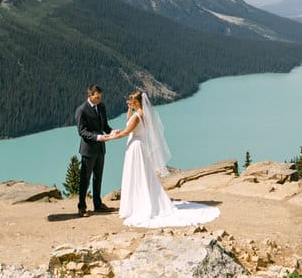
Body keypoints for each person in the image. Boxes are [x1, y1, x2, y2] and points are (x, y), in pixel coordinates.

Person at [104, 91, 219, 228]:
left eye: (131, 102)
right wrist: (129, 109)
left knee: (137, 175)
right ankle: (141, 202)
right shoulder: (144, 114)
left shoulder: (137, 116)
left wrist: (109, 137)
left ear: (136, 102)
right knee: (142, 175)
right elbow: (128, 121)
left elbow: (126, 131)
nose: (130, 104)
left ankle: (138, 205)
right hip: (139, 146)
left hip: (135, 147)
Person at [75, 84, 113, 217]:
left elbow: (105, 126)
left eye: (100, 97)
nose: (99, 100)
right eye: (97, 97)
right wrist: (98, 137)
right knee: (85, 179)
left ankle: (98, 204)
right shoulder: (81, 110)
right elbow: (82, 132)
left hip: (101, 148)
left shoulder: (101, 107)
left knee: (98, 177)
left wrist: (113, 132)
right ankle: (81, 207)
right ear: (89, 96)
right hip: (88, 150)